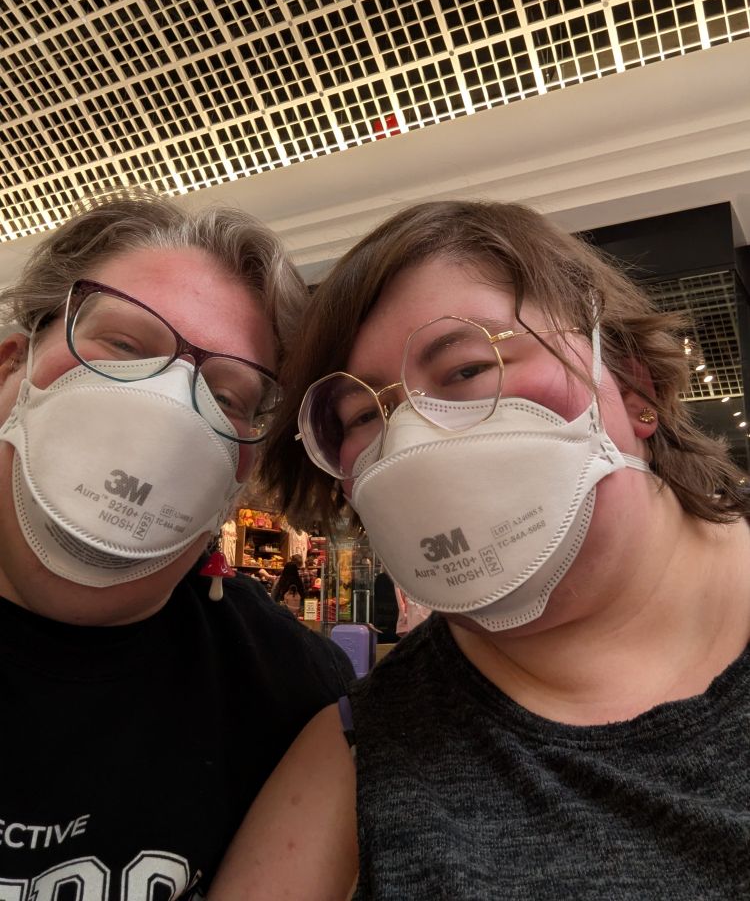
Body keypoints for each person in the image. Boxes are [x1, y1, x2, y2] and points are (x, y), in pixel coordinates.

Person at [210, 199, 750, 900]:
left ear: (633, 386)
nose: (412, 439)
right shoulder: (358, 751)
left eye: (466, 370)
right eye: (365, 415)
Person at [0, 191, 354, 899]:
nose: (169, 408)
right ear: (10, 368)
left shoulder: (286, 689)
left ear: (242, 472)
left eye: (228, 397)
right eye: (125, 346)